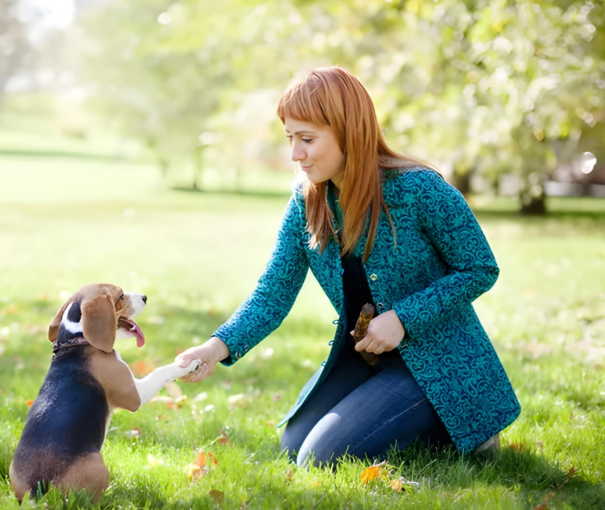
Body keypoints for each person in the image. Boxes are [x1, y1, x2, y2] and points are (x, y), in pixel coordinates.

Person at [176, 66, 520, 467]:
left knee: (318, 459)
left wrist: (403, 319)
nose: (295, 154)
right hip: (367, 360)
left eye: (307, 139)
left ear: (349, 131)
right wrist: (216, 348)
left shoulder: (420, 189)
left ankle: (458, 422)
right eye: (290, 138)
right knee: (294, 444)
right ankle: (415, 425)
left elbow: (480, 267)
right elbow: (274, 292)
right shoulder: (306, 203)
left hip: (437, 364)